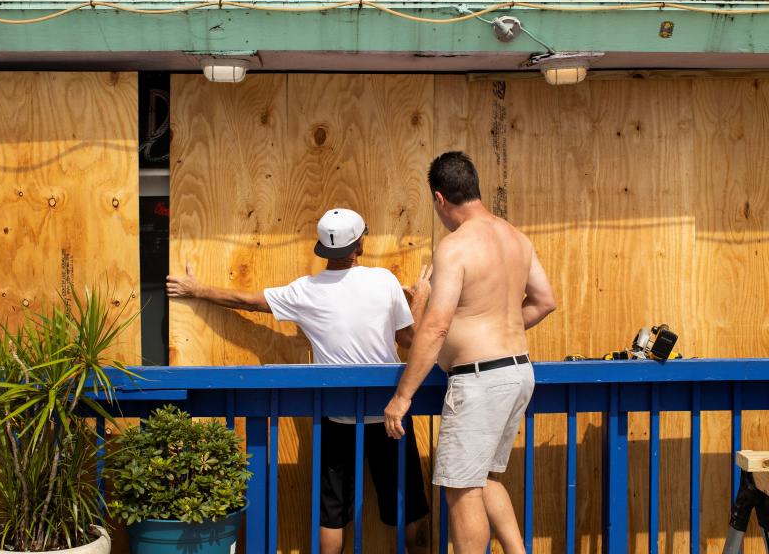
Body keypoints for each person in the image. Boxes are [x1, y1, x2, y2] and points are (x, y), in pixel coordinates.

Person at [167, 208, 431, 554]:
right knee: (408, 508)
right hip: (388, 413)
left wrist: (197, 288)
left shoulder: (304, 291)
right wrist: (421, 300)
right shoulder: (383, 281)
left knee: (331, 515)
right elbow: (412, 341)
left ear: (324, 249)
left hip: (335, 416)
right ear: (358, 246)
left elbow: (247, 301)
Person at [383, 152, 557, 554]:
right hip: (518, 371)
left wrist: (402, 396)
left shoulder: (455, 248)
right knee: (485, 478)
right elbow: (545, 300)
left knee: (461, 489)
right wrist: (497, 328)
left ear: (440, 200)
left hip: (480, 380)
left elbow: (437, 325)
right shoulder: (516, 236)